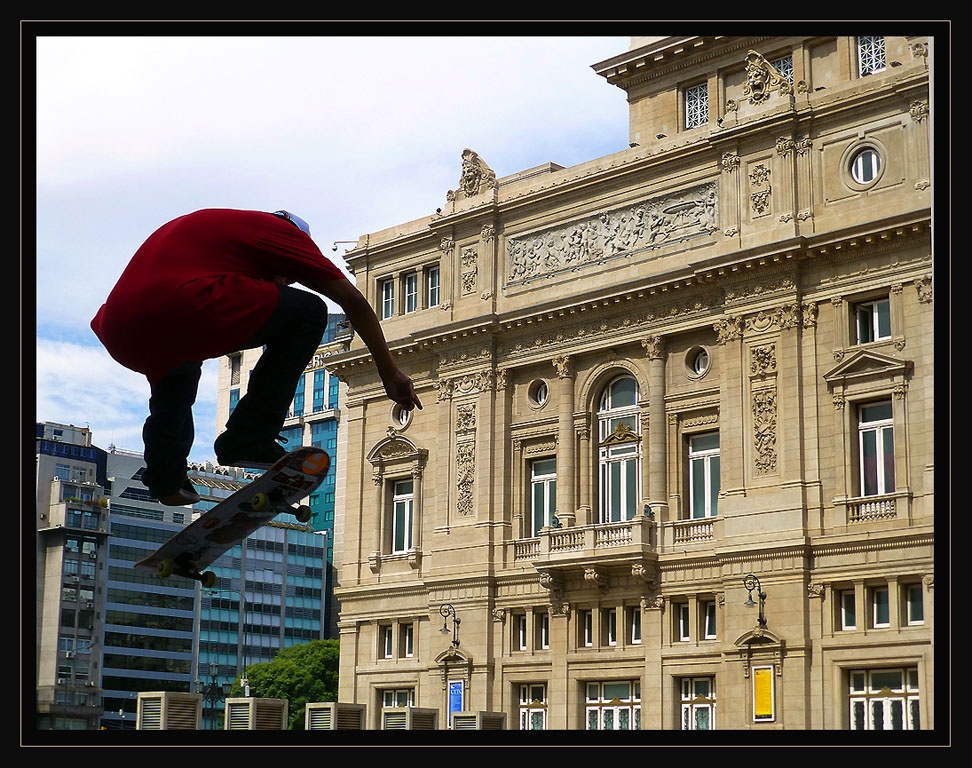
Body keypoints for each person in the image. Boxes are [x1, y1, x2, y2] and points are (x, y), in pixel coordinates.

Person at [91, 208, 422, 506]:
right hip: (180, 303)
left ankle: (166, 479)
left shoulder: (224, 233)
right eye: (287, 276)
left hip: (122, 329)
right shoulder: (284, 234)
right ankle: (249, 438)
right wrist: (388, 373)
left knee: (177, 379)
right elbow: (355, 303)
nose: (282, 283)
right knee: (308, 311)